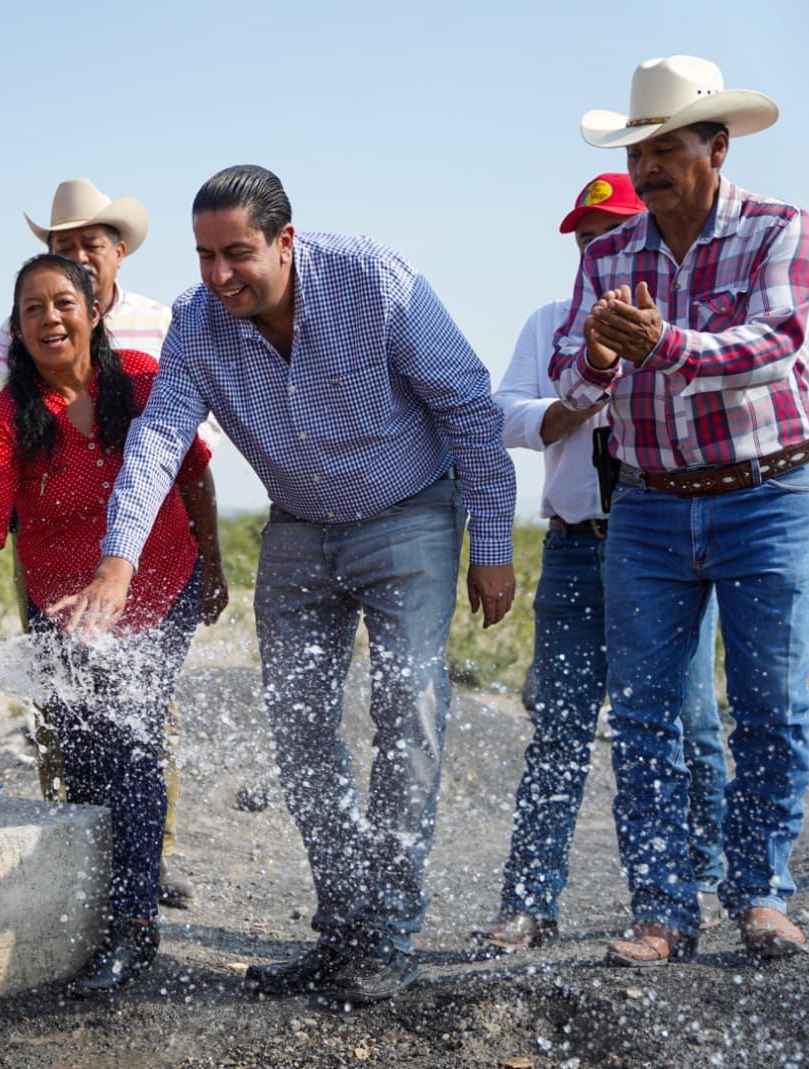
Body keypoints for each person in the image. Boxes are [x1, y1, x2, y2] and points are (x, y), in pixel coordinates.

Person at [57, 165, 516, 1003]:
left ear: (285, 241)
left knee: (406, 708)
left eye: (237, 253)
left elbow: (466, 402)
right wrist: (117, 563)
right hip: (298, 527)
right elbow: (159, 438)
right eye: (204, 256)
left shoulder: (373, 280)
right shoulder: (198, 321)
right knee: (299, 727)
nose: (219, 275)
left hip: (409, 515)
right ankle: (343, 930)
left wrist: (491, 539)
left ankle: (389, 936)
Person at [551, 56, 809, 967]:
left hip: (766, 494)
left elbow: (774, 344)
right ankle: (662, 911)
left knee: (769, 708)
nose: (649, 166)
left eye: (667, 148)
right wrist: (598, 356)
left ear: (718, 147)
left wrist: (663, 343)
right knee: (643, 716)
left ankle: (761, 895)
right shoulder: (607, 256)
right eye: (640, 151)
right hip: (650, 504)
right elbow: (570, 383)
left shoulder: (778, 228)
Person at [0, 254, 223, 996]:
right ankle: (94, 906)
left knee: (130, 733)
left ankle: (133, 926)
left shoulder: (144, 380)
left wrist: (215, 561)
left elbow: (192, 473)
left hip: (159, 585)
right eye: (32, 308)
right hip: (63, 608)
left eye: (64, 302)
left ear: (94, 311)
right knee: (84, 758)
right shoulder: (8, 417)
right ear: (17, 327)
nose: (50, 318)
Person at [473, 172, 729, 954]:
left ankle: (701, 882)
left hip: (667, 544)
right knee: (559, 726)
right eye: (586, 239)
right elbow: (503, 412)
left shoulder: (683, 320)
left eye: (609, 234)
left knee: (690, 723)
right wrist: (567, 405)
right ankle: (529, 902)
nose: (597, 250)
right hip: (577, 544)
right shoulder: (551, 321)